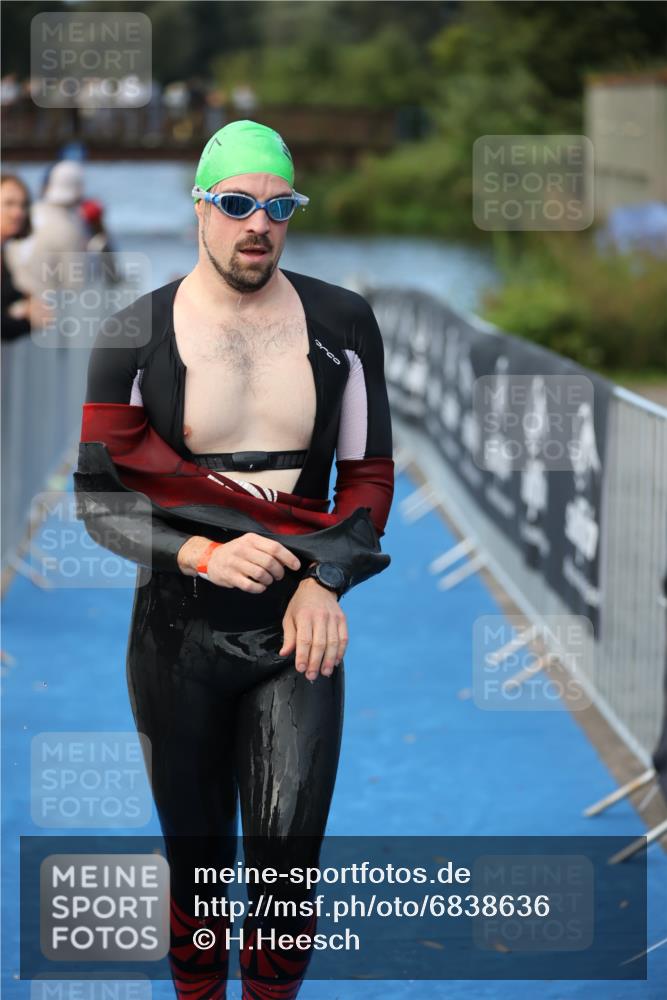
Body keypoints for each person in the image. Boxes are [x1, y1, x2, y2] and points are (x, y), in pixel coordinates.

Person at [75, 119, 394, 999]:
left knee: (288, 871)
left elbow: (367, 477)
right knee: (199, 868)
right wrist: (203, 557)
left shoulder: (341, 320)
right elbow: (98, 499)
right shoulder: (133, 332)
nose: (258, 223)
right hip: (177, 633)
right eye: (237, 204)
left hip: (297, 633)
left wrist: (325, 579)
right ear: (201, 211)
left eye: (278, 206)